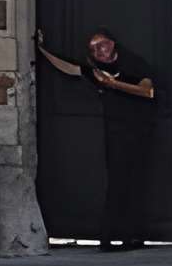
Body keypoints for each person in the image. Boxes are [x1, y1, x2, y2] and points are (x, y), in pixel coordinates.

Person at [35, 26, 159, 250]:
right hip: (116, 133)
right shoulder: (95, 71)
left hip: (139, 131)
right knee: (118, 184)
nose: (98, 50)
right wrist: (40, 48)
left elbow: (147, 91)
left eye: (101, 44)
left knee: (137, 183)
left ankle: (133, 236)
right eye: (93, 48)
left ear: (112, 44)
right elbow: (69, 67)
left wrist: (112, 84)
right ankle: (108, 237)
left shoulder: (132, 63)